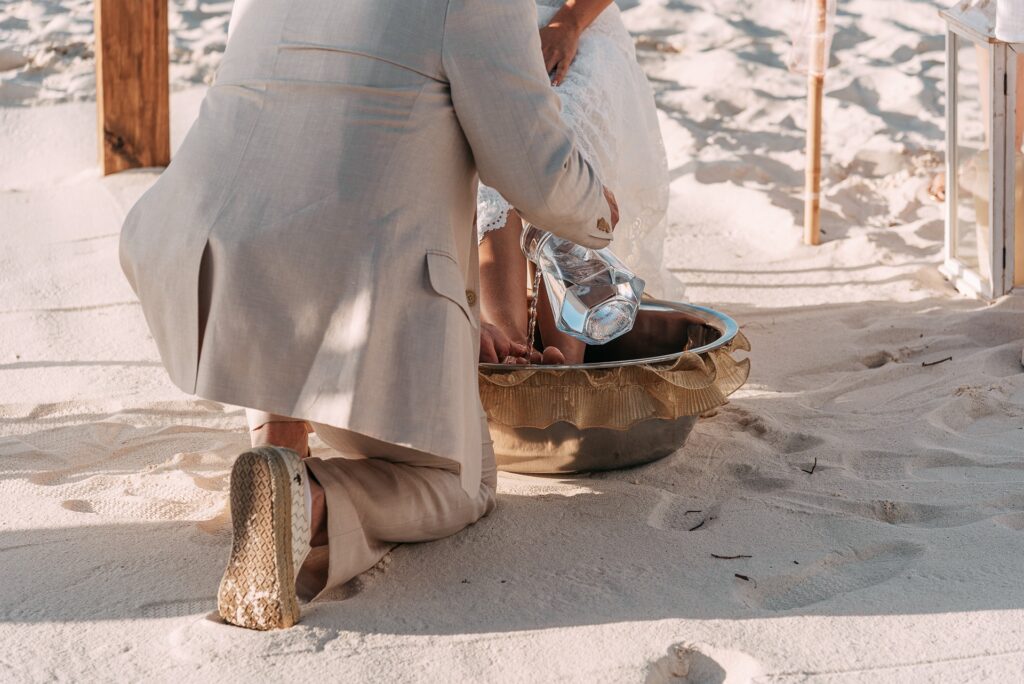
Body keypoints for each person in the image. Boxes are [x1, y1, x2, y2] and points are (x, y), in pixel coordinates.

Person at [120, 0, 618, 631]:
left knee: (287, 236)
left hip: (202, 255)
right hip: (341, 282)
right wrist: (596, 210)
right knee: (463, 486)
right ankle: (311, 499)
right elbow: (535, 173)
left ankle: (278, 437)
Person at [478, 0, 672, 365]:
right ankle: (511, 346)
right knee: (496, 148)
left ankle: (564, 361)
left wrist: (568, 23)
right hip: (484, 27)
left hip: (579, 24)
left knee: (564, 137)